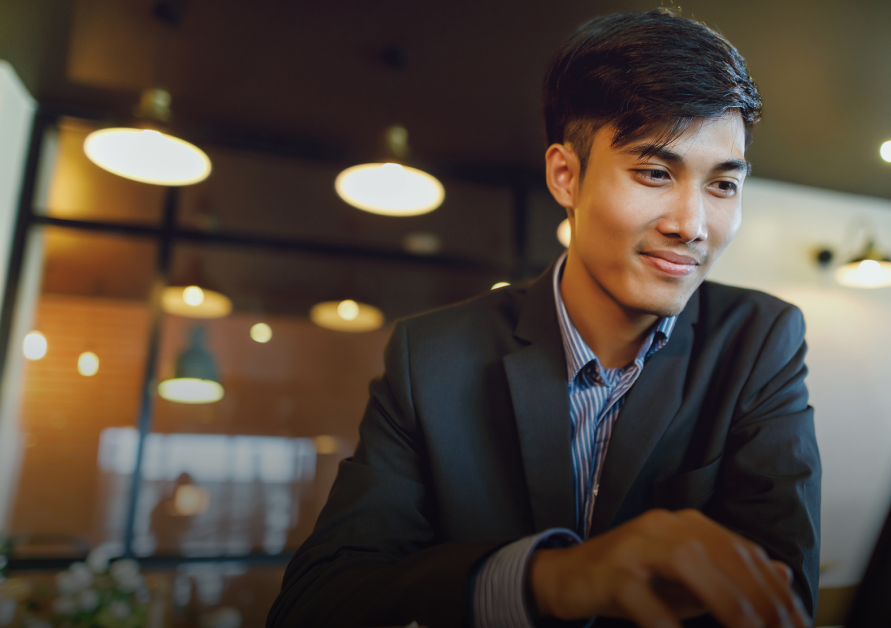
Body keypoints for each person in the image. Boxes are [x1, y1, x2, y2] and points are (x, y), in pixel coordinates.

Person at [267, 9, 820, 628]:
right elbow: (317, 601)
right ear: (566, 175)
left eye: (722, 185)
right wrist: (545, 579)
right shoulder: (433, 356)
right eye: (655, 173)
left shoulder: (759, 341)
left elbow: (783, 595)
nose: (691, 225)